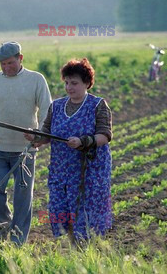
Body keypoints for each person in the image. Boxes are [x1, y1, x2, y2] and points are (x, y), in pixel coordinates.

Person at [0, 41, 52, 245]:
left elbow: (46, 112)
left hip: (25, 150)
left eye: (10, 63)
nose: (6, 68)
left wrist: (39, 136)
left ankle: (17, 240)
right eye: (2, 64)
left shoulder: (36, 80)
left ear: (20, 58)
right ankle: (3, 224)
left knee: (23, 196)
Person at [24, 57, 112, 245]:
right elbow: (47, 134)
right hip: (60, 171)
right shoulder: (56, 106)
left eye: (75, 83)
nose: (69, 87)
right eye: (67, 83)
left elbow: (104, 135)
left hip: (88, 172)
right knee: (59, 211)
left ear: (87, 83)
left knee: (83, 214)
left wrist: (83, 142)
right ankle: (70, 246)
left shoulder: (97, 105)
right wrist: (35, 137)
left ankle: (85, 250)